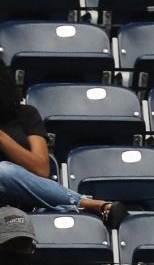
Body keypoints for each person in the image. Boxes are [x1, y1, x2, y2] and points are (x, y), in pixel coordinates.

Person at [0, 72, 127, 225]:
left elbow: (41, 169)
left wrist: (2, 137)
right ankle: (88, 205)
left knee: (4, 172)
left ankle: (74, 210)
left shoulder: (26, 114)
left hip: (25, 199)